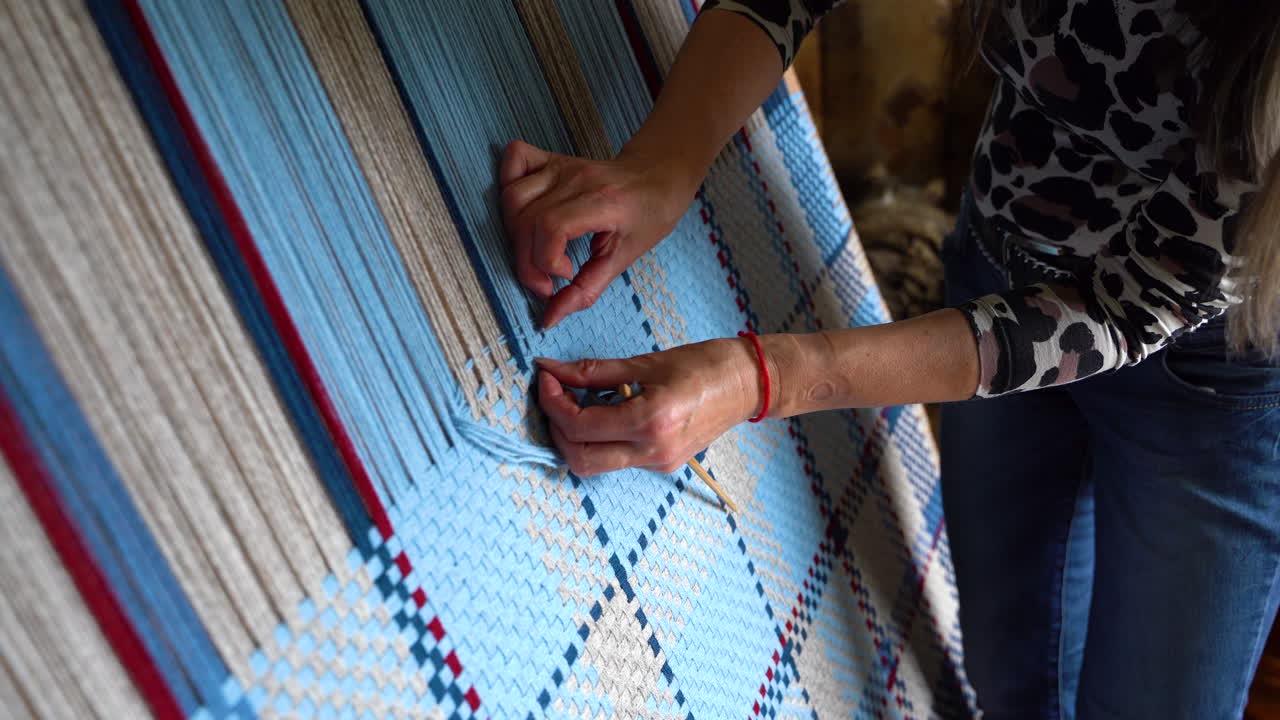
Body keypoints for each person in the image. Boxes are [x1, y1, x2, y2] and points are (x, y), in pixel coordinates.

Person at [499, 1, 1280, 717]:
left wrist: (759, 377)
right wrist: (663, 165)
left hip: (1210, 387)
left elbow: (1118, 309)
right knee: (1010, 673)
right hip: (1003, 274)